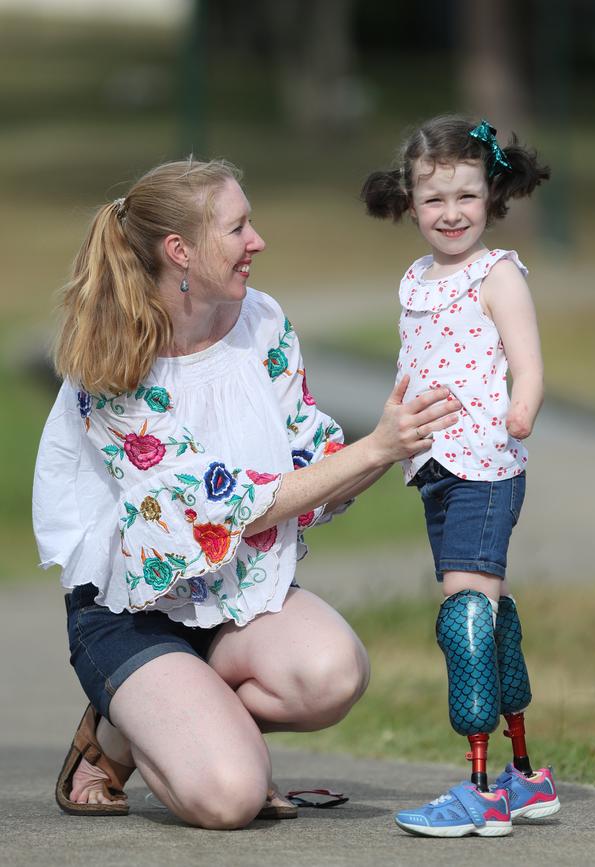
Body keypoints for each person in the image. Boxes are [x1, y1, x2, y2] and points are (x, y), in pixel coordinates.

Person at [33, 158, 462, 830]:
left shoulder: (261, 320)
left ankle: (167, 717)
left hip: (233, 594)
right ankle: (133, 719)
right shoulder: (111, 362)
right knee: (230, 796)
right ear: (181, 251)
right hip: (131, 611)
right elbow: (217, 508)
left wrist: (412, 429)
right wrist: (377, 446)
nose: (257, 240)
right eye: (238, 228)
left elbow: (310, 463)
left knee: (333, 673)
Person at [361, 115, 560, 838]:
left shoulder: (497, 271)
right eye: (434, 197)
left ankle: (481, 790)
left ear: (492, 196)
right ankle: (526, 775)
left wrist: (523, 406)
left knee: (465, 617)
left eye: (466, 197)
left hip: (486, 465)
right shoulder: (415, 277)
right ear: (410, 200)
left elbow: (526, 356)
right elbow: (413, 365)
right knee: (493, 617)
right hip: (437, 469)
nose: (450, 213)